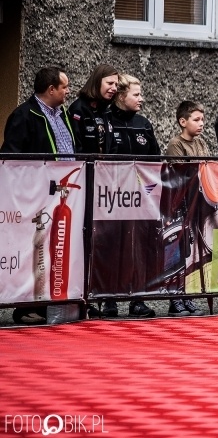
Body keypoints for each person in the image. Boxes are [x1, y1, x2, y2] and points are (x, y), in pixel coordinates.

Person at [1, 66, 79, 324]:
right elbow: (11, 158)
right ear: (51, 89)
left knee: (56, 248)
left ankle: (51, 302)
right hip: (35, 197)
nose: (68, 91)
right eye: (64, 87)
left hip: (65, 195)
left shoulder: (63, 115)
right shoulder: (24, 116)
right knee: (33, 250)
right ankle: (25, 307)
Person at [69, 63, 120, 317]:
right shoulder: (77, 109)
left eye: (116, 84)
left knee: (105, 241)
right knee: (84, 241)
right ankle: (83, 299)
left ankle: (106, 297)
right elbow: (75, 148)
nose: (113, 88)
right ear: (97, 81)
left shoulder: (108, 111)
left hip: (105, 186)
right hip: (83, 185)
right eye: (109, 83)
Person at [107, 73, 159, 318]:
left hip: (140, 198)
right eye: (136, 95)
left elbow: (156, 160)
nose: (142, 99)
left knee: (138, 248)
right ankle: (108, 299)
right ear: (120, 95)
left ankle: (137, 299)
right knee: (111, 246)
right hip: (110, 196)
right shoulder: (105, 120)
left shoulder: (143, 124)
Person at [164, 100, 209, 316]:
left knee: (191, 252)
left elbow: (208, 168)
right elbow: (179, 174)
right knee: (176, 251)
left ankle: (187, 294)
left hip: (196, 203)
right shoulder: (176, 144)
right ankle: (175, 298)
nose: (201, 124)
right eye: (196, 119)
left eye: (202, 119)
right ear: (183, 122)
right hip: (179, 205)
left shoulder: (201, 144)